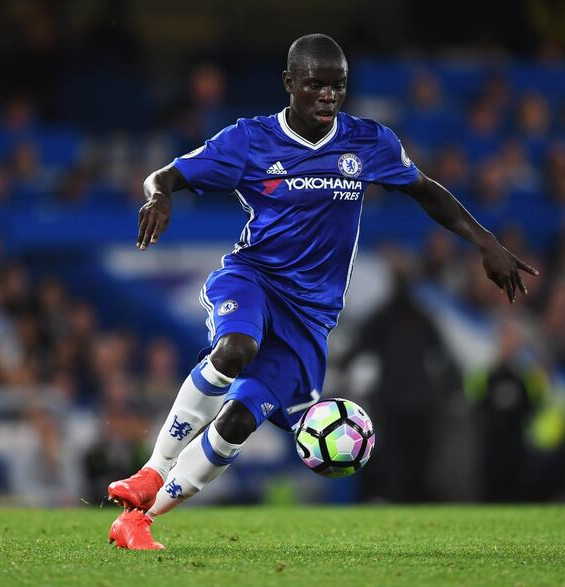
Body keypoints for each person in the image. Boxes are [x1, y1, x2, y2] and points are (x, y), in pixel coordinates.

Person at [107, 34, 539, 550]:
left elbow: (425, 189)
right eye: (316, 84)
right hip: (255, 279)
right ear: (290, 84)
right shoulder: (249, 140)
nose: (329, 96)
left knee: (241, 421)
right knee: (236, 349)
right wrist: (158, 197)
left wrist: (484, 240)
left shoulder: (368, 142)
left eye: (338, 86)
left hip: (311, 316)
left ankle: (139, 519)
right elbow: (164, 176)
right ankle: (152, 471)